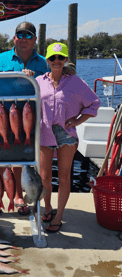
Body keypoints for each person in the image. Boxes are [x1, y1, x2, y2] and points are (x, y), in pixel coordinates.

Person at [0, 21, 49, 222]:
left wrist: (66, 71)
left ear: (34, 39)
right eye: (20, 35)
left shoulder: (44, 63)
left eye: (28, 36)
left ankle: (16, 196)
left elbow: (55, 81)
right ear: (14, 38)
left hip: (29, 119)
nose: (23, 40)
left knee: (20, 159)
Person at [36, 42, 101, 233]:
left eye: (60, 57)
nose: (56, 61)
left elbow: (94, 103)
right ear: (47, 60)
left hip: (66, 134)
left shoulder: (75, 82)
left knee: (64, 176)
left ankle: (59, 215)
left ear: (65, 60)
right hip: (45, 131)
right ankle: (47, 207)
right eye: (52, 58)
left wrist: (78, 120)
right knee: (45, 176)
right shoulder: (39, 81)